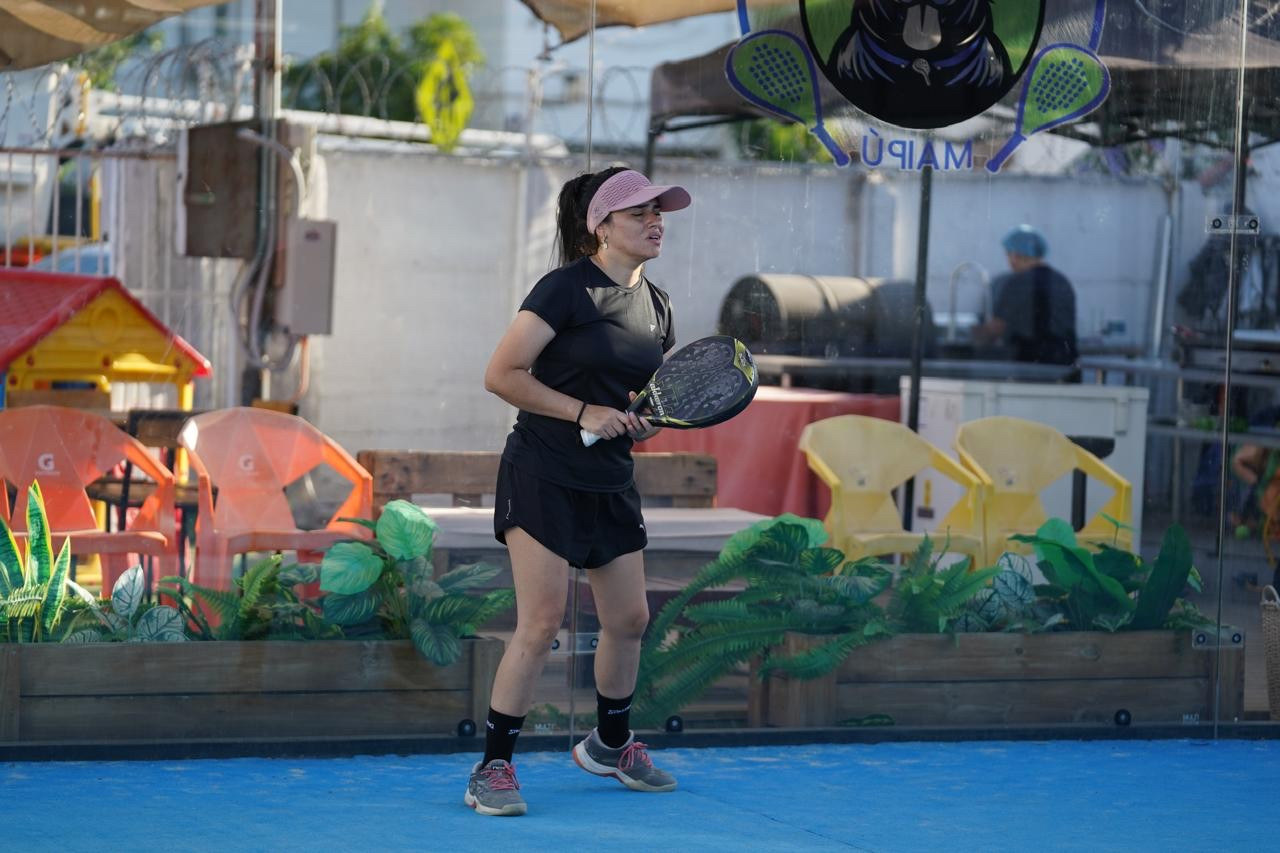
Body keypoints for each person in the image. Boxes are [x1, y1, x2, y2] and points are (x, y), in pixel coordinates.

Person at [467, 166, 691, 816]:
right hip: (543, 472)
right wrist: (582, 411)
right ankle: (492, 768)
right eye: (639, 213)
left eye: (659, 212)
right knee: (540, 623)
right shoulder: (564, 289)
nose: (655, 222)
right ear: (601, 227)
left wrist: (641, 420)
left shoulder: (658, 305)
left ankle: (609, 745)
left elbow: (642, 399)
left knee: (629, 620)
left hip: (609, 479)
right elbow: (501, 374)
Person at [973, 224, 1079, 366]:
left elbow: (997, 327)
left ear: (1015, 255)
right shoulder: (1061, 280)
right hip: (1066, 365)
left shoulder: (1018, 282)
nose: (1009, 261)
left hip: (1032, 366)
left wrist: (972, 336)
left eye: (1008, 255)